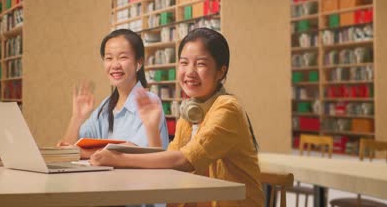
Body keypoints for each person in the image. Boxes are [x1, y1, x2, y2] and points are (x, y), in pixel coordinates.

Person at [90, 28, 264, 206]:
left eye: (201, 64)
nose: (190, 72)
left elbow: (184, 160)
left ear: (221, 71)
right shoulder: (190, 111)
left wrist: (119, 159)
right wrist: (151, 129)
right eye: (184, 63)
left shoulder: (228, 108)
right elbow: (167, 161)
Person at [59, 29, 169, 158]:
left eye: (123, 57)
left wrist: (85, 153)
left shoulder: (150, 103)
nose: (115, 65)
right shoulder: (106, 106)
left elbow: (136, 152)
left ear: (138, 63)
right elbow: (67, 150)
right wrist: (77, 118)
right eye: (109, 58)